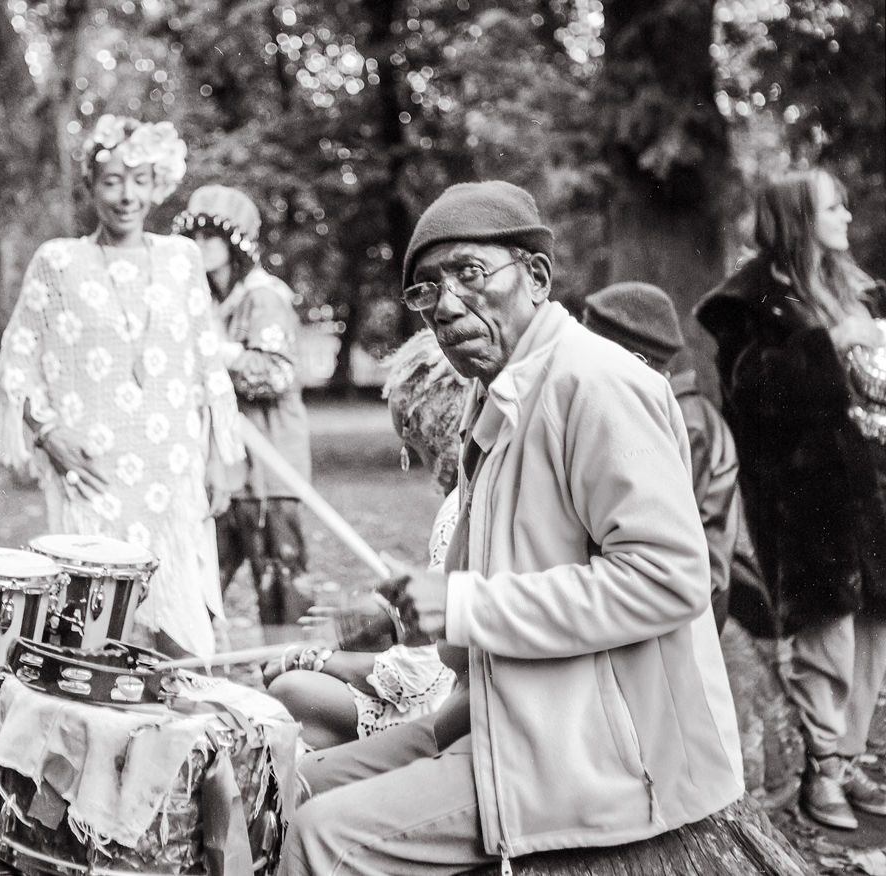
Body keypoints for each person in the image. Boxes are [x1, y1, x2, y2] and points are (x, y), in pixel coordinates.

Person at [280, 181, 743, 875]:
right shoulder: (493, 397)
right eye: (427, 290)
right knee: (288, 785)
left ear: (536, 277)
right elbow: (468, 629)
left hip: (601, 753)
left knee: (322, 835)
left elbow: (671, 582)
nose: (447, 305)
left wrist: (463, 605)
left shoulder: (595, 383)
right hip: (500, 722)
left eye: (469, 273)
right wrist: (402, 612)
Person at [0, 116, 243, 660]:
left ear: (158, 184)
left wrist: (219, 459)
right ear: (90, 185)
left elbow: (206, 364)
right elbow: (17, 364)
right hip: (94, 474)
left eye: (140, 180)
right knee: (95, 633)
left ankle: (181, 739)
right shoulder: (58, 262)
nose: (127, 196)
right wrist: (48, 435)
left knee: (183, 636)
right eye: (111, 181)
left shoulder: (182, 259)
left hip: (173, 472)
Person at [696, 167, 886, 830]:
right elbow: (754, 395)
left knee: (872, 631)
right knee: (825, 632)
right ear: (801, 219)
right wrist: (829, 344)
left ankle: (851, 756)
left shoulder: (851, 287)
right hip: (805, 499)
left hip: (871, 486)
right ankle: (820, 770)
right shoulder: (747, 303)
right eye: (834, 207)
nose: (848, 220)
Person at [262, 329, 462, 749]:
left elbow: (418, 674)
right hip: (455, 686)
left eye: (409, 444)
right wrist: (386, 615)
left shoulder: (458, 511)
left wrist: (313, 658)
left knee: (291, 689)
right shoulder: (469, 498)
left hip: (450, 705)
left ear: (423, 424)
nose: (411, 459)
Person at [172, 185, 313, 640]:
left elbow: (274, 374)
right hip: (220, 476)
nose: (201, 245)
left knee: (282, 597)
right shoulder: (203, 302)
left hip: (269, 474)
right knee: (194, 587)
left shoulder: (264, 296)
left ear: (236, 243)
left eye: (213, 235)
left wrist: (216, 355)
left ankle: (296, 692)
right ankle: (196, 682)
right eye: (195, 236)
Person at [582, 281, 744, 633]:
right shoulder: (664, 412)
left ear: (633, 360)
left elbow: (664, 534)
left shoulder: (685, 423)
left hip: (692, 608)